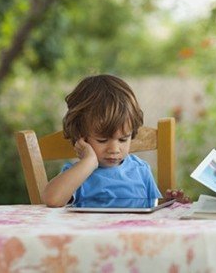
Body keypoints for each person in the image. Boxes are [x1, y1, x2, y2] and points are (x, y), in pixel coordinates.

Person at [43, 74, 189, 207]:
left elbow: (153, 209)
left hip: (134, 235)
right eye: (102, 140)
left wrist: (170, 205)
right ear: (81, 137)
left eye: (123, 139)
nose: (114, 149)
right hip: (93, 236)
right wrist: (89, 162)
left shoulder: (140, 170)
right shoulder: (77, 174)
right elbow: (52, 200)